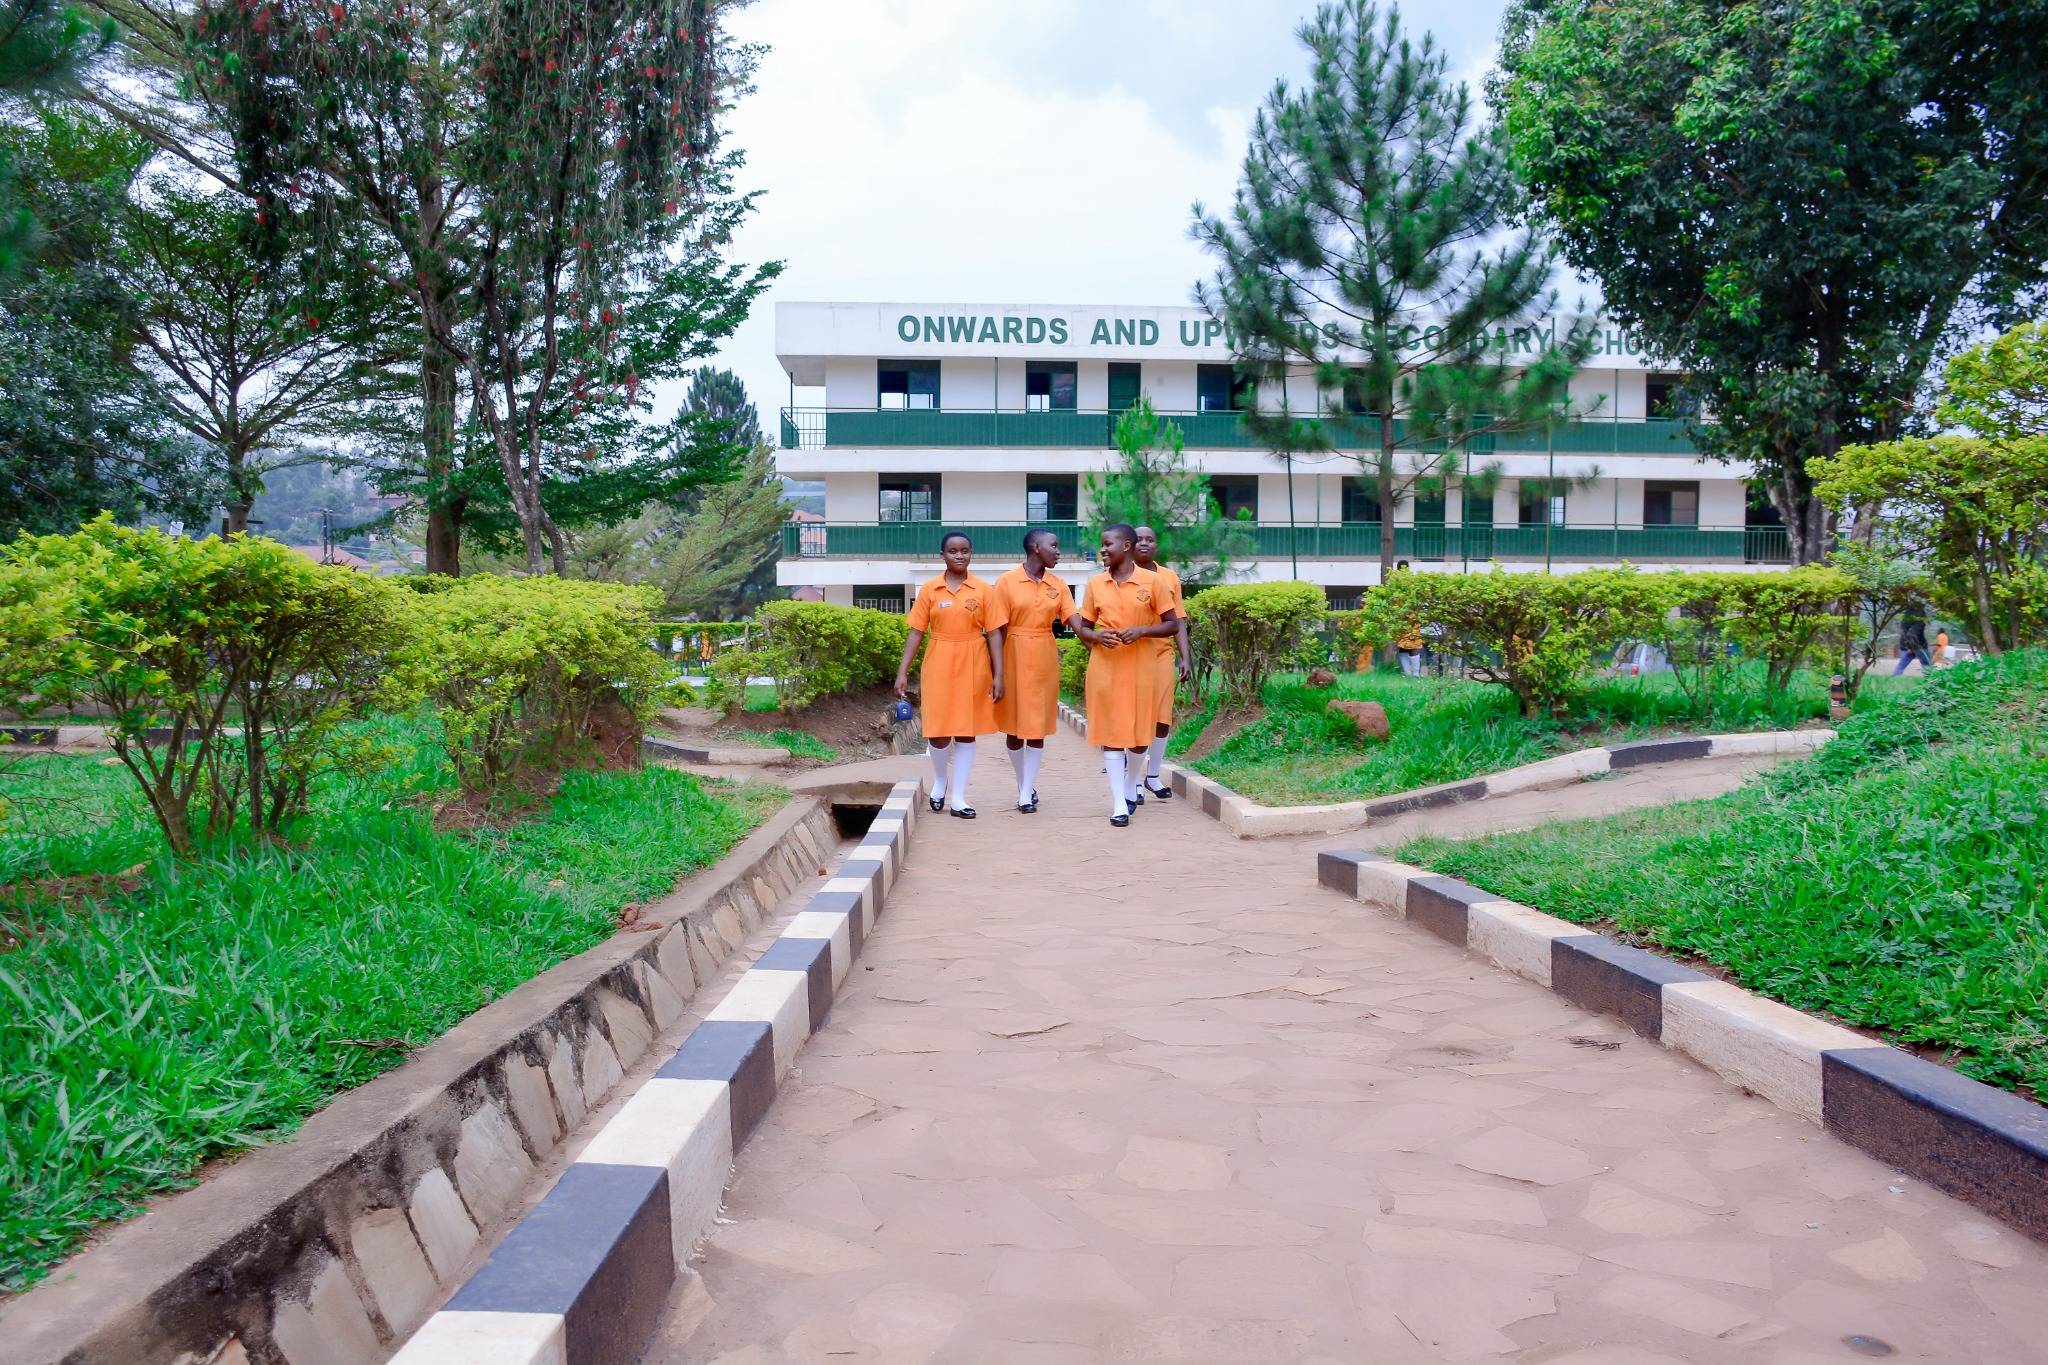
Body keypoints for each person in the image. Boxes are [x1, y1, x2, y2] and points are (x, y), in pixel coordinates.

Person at [894, 532, 1004, 818]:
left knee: (966, 731)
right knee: (939, 732)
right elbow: (917, 631)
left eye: (965, 550)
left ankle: (959, 797)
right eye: (953, 551)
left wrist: (998, 674)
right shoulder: (930, 590)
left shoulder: (983, 590)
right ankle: (940, 780)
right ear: (942, 554)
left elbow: (993, 633)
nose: (959, 555)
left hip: (974, 660)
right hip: (939, 659)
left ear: (971, 554)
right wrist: (902, 672)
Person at [1077, 524, 1181, 826]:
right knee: (1111, 735)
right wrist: (1097, 637)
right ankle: (1119, 803)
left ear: (1126, 546)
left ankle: (1131, 782)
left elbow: (1172, 624)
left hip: (1142, 665)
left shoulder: (1154, 582)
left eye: (1108, 544)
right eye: (1102, 544)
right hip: (1106, 666)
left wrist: (1142, 631)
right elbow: (1083, 626)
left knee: (1138, 737)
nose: (1103, 549)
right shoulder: (1095, 584)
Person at [990, 529, 1077, 813]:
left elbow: (1074, 621)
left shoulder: (1059, 584)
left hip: (1043, 656)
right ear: (1036, 547)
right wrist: (998, 674)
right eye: (1054, 545)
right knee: (1014, 730)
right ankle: (1023, 783)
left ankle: (1026, 793)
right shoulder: (1006, 581)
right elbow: (997, 630)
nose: (1058, 551)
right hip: (1013, 652)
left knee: (1037, 727)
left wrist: (1096, 638)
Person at [1131, 525, 1192, 799]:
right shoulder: (1123, 575)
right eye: (1139, 539)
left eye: (1150, 539)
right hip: (1131, 654)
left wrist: (1185, 658)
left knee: (1162, 718)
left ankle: (1152, 775)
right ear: (1128, 544)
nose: (1144, 543)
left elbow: (1178, 619)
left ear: (1156, 545)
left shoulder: (1169, 577)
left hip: (1162, 653)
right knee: (1135, 716)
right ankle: (1132, 780)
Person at [1892, 607, 1931, 675]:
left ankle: (1894, 678)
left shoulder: (1906, 616)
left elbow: (1904, 632)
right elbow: (1913, 633)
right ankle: (1932, 681)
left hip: (1906, 644)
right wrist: (1912, 647)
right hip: (1918, 645)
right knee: (1927, 664)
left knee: (1902, 665)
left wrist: (1908, 647)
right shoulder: (1919, 617)